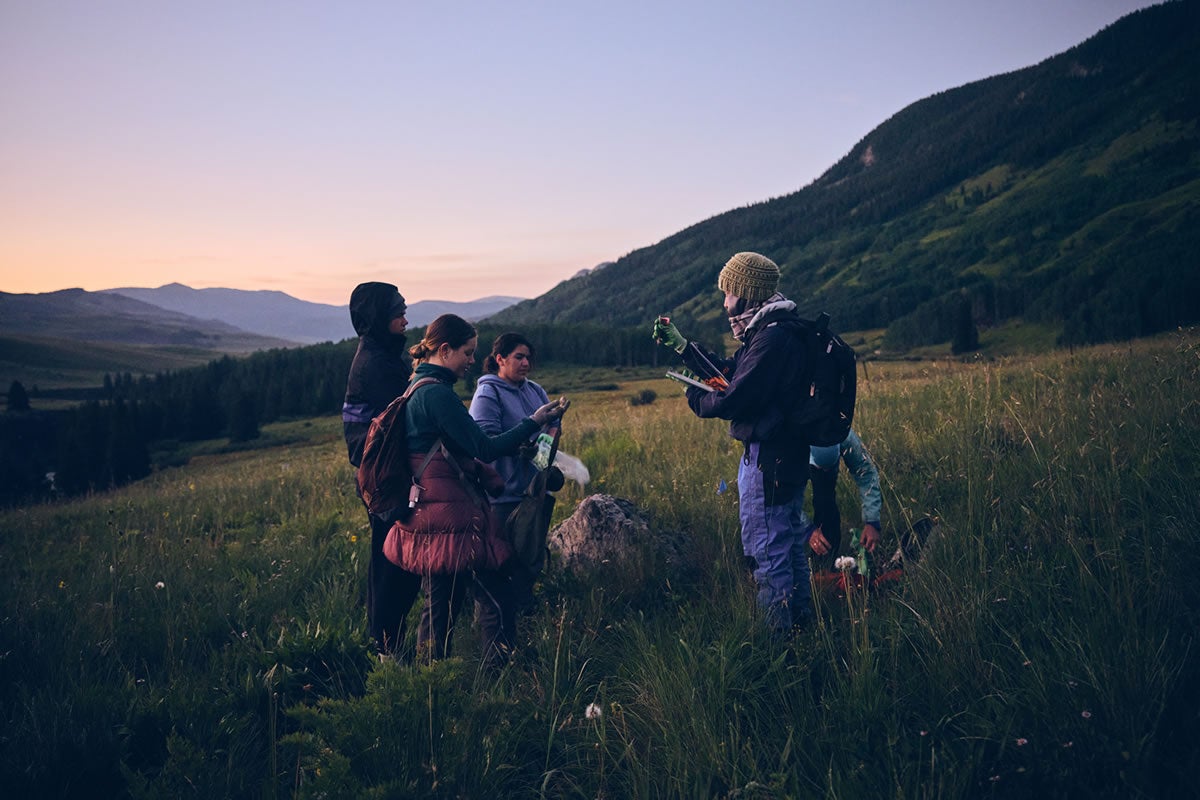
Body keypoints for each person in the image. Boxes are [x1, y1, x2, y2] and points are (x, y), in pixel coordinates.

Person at [390, 314, 568, 667]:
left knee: (440, 600)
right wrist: (534, 422)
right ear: (444, 350)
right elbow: (484, 446)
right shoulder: (437, 396)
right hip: (451, 515)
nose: (473, 360)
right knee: (497, 596)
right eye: (467, 352)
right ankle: (496, 680)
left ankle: (431, 684)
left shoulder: (416, 386)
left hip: (430, 513)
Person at [653, 252, 814, 635]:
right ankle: (803, 630)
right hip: (789, 458)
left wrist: (694, 397)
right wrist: (684, 350)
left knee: (767, 557)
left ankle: (778, 651)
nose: (725, 303)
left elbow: (733, 398)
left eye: (728, 293)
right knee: (790, 549)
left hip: (768, 461)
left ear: (747, 294)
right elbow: (731, 373)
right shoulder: (776, 328)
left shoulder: (772, 338)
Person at [342, 281, 420, 660]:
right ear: (378, 317)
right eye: (398, 311)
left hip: (384, 475)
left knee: (392, 557)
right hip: (385, 478)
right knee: (393, 560)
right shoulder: (377, 365)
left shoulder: (384, 354)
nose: (405, 318)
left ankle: (387, 642)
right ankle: (386, 649)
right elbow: (402, 421)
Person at [468, 332, 559, 610]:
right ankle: (495, 625)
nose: (525, 363)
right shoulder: (488, 392)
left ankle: (524, 620)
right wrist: (526, 438)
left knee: (528, 562)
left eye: (528, 358)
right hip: (502, 496)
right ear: (500, 359)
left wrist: (547, 445)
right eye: (519, 357)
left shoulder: (536, 391)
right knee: (501, 564)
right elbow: (484, 441)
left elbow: (548, 433)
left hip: (532, 494)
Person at [806, 429, 882, 564]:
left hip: (827, 451)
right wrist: (806, 530)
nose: (824, 472)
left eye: (827, 469)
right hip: (793, 461)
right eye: (821, 469)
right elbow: (782, 500)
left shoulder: (843, 433)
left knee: (825, 502)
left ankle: (826, 559)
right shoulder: (791, 443)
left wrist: (872, 522)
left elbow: (867, 474)